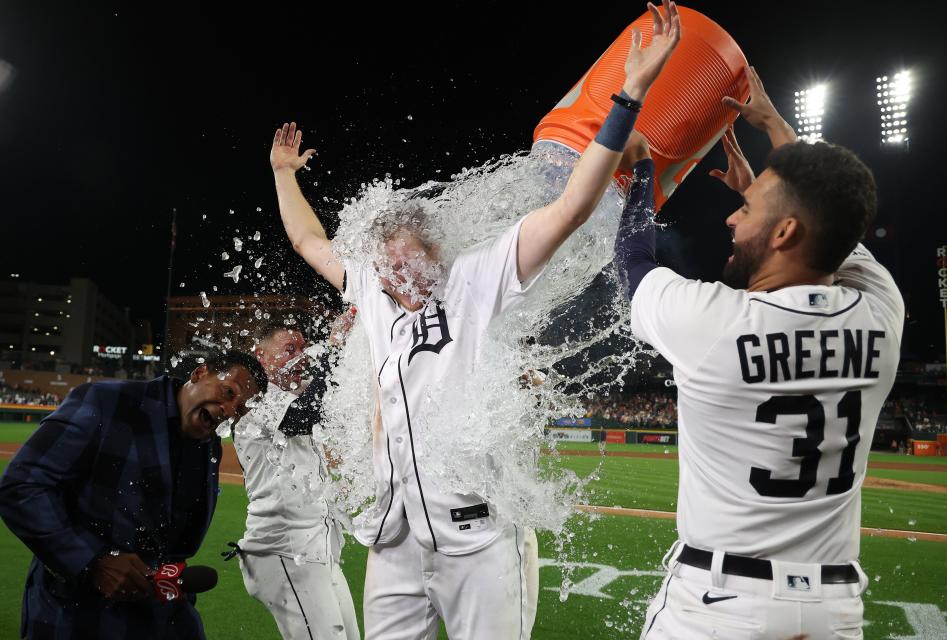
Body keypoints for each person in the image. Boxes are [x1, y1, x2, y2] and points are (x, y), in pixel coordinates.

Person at [268, 3, 682, 637]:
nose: (394, 280)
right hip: (396, 537)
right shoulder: (376, 291)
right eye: (385, 269)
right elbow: (309, 243)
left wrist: (628, 95)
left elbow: (571, 207)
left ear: (435, 251)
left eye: (406, 265)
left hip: (480, 539)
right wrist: (282, 177)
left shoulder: (478, 277)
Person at [613, 66, 904, 639]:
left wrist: (643, 169)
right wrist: (773, 129)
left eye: (747, 210)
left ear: (784, 233)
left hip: (716, 607)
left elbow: (633, 264)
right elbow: (833, 218)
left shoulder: (715, 323)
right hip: (833, 613)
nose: (731, 215)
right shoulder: (881, 314)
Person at [0, 351, 266, 640]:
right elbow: (22, 486)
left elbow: (172, 546)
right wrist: (93, 561)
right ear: (200, 373)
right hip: (77, 618)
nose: (228, 411)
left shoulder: (209, 447)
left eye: (240, 410)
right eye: (228, 393)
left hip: (161, 618)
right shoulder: (106, 401)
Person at [229, 316, 360, 640]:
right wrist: (335, 347)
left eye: (303, 348)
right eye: (289, 349)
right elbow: (305, 414)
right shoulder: (252, 399)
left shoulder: (292, 394)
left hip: (316, 550)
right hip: (284, 550)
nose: (301, 356)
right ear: (260, 355)